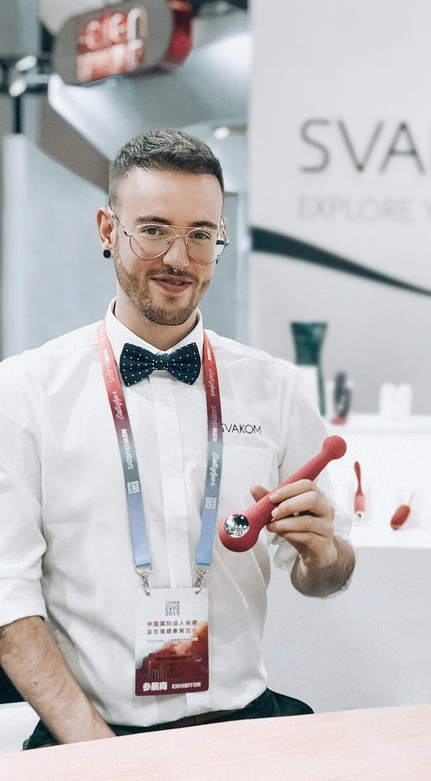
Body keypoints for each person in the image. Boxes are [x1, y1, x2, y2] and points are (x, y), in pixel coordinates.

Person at [0, 129, 355, 748]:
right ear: (108, 231)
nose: (178, 257)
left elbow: (326, 575)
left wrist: (323, 555)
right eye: (154, 229)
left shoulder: (273, 387)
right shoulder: (26, 392)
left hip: (244, 726)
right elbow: (8, 600)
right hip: (90, 737)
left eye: (199, 234)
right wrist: (99, 754)